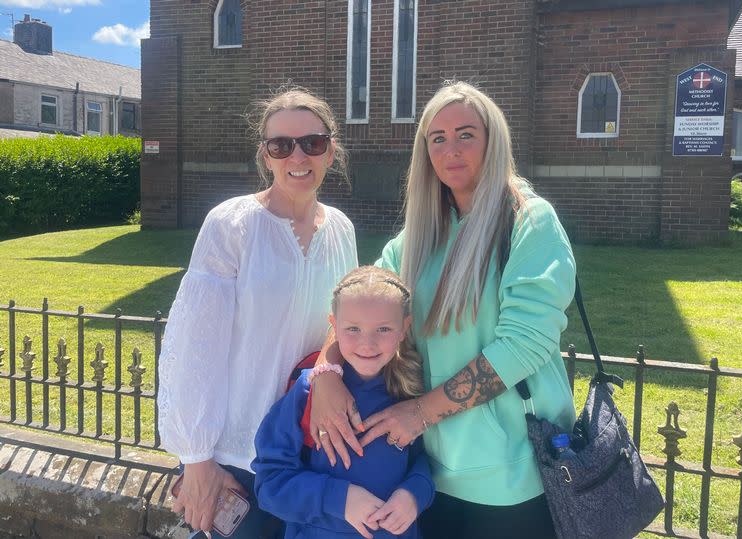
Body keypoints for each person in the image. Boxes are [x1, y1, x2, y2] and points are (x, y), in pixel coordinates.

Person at [308, 81, 577, 539]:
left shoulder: (529, 221)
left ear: (493, 141)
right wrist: (326, 372)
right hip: (426, 476)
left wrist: (420, 414)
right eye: (438, 138)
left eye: (466, 134)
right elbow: (361, 300)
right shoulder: (418, 237)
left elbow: (525, 345)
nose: (451, 149)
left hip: (510, 478)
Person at [157, 88, 358, 538]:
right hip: (238, 455)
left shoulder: (341, 229)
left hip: (309, 452)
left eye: (313, 142)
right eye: (281, 145)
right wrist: (197, 459)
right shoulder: (232, 225)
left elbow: (345, 327)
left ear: (331, 151)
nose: (297, 156)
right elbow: (195, 346)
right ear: (265, 155)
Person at [252, 266, 435, 539]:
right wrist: (339, 499)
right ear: (334, 326)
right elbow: (269, 485)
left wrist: (414, 494)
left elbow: (423, 461)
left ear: (404, 329)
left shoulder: (410, 391)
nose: (367, 343)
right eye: (353, 329)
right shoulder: (308, 393)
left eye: (383, 328)